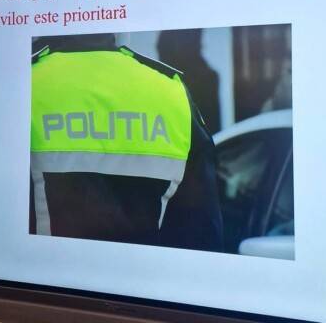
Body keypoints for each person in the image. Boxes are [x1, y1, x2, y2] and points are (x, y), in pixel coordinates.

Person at [29, 33, 223, 252]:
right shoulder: (171, 91)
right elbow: (202, 236)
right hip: (143, 273)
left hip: (46, 271)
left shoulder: (26, 83)